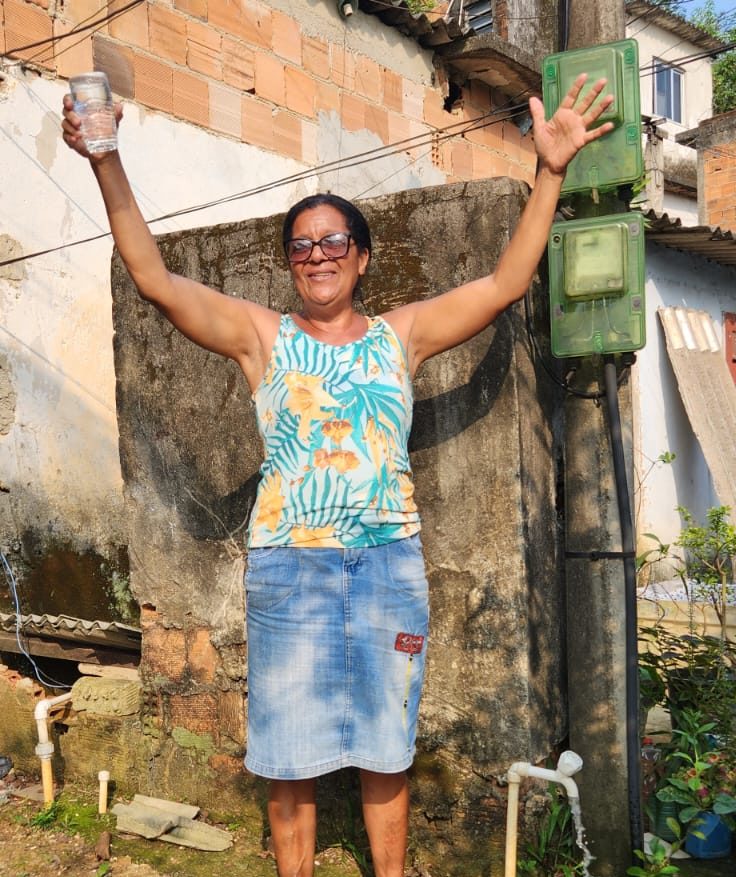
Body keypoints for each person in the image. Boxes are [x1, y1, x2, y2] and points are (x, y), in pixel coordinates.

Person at [62, 73, 613, 877]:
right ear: (291, 264)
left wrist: (551, 172)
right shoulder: (262, 338)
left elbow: (505, 284)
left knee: (386, 744)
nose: (317, 255)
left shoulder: (403, 335)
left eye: (333, 242)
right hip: (291, 568)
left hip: (389, 567)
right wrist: (105, 159)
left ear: (360, 257)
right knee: (290, 757)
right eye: (302, 245)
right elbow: (154, 277)